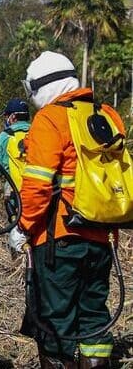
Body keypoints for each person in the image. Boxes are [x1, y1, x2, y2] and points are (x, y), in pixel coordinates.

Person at [18, 51, 122, 368]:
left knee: (54, 319)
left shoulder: (49, 119)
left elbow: (38, 186)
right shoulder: (108, 116)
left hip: (59, 238)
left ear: (40, 86)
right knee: (93, 314)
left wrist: (21, 227)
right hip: (101, 237)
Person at [0, 98, 31, 188]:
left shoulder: (5, 136)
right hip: (41, 192)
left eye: (6, 116)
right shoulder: (38, 132)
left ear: (13, 117)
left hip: (16, 193)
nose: (5, 119)